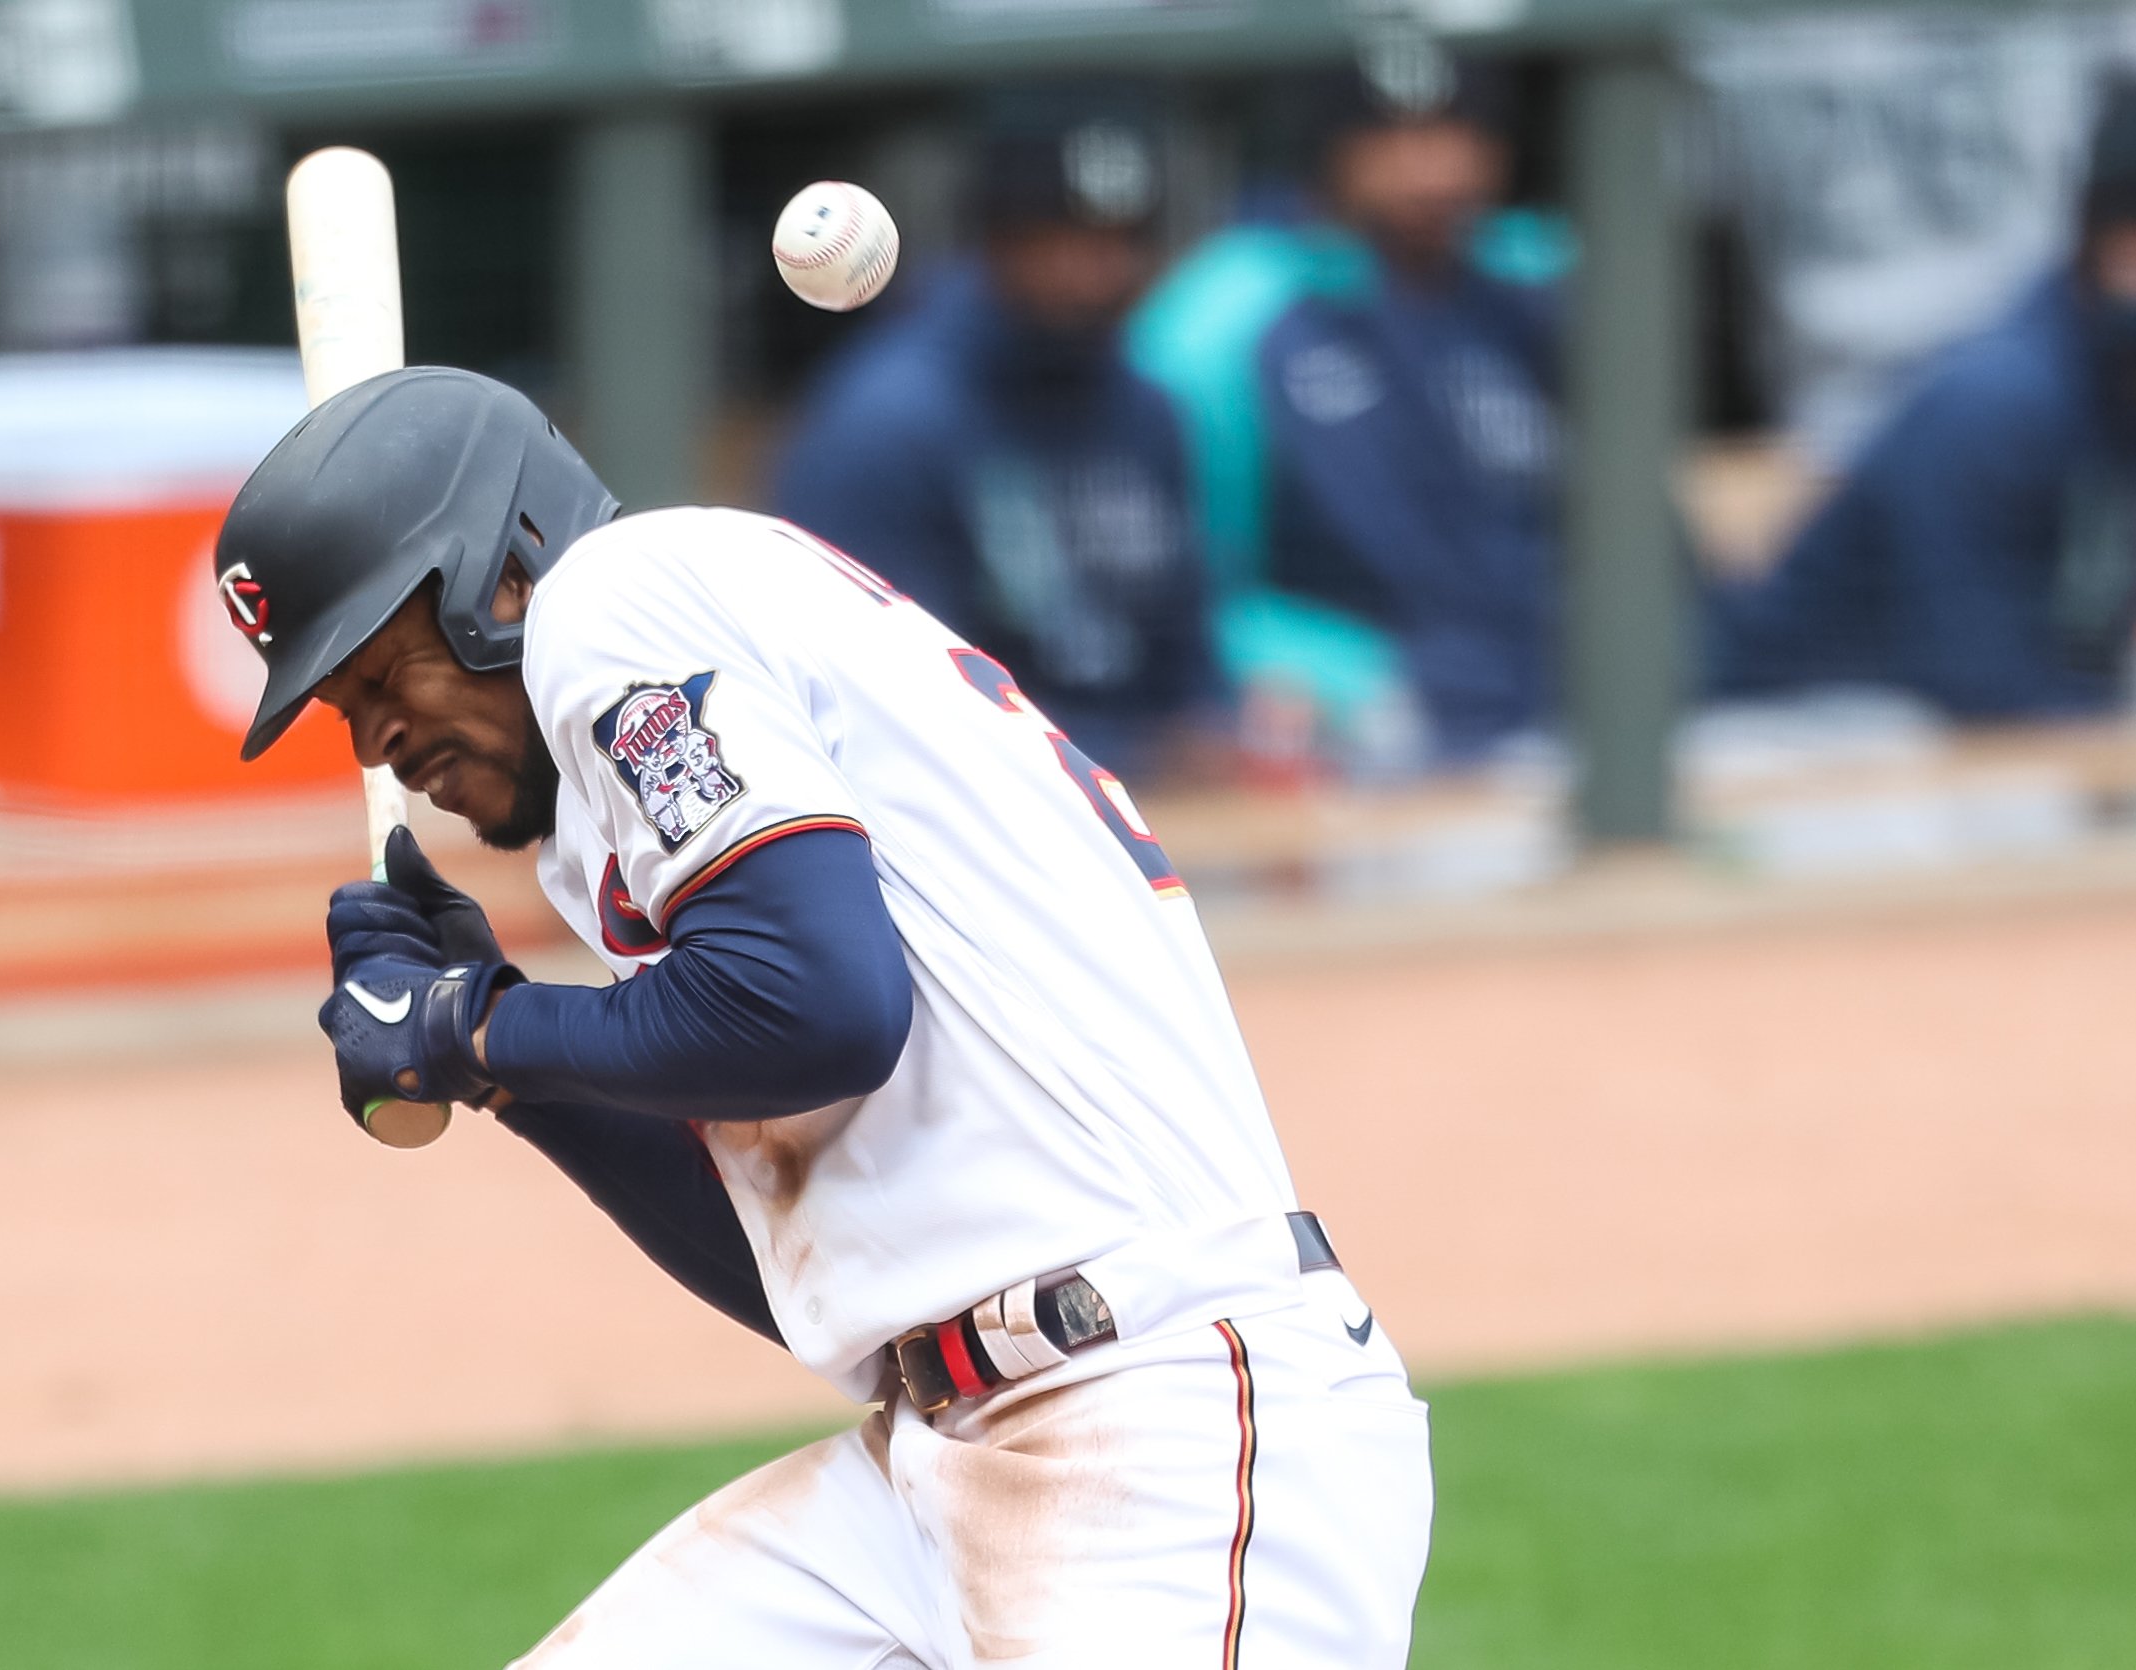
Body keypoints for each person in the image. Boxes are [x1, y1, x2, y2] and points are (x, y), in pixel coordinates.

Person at [216, 366, 1432, 1668]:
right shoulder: (651, 803)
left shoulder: (613, 596)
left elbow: (821, 1008)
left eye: (383, 667)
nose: (378, 739)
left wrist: (476, 1027)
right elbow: (799, 1257)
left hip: (1160, 1434)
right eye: (344, 709)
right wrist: (513, 1064)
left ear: (506, 563)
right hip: (938, 1461)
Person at [1132, 53, 1569, 769]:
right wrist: (1356, 683)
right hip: (1374, 730)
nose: (1437, 170)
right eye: (1393, 134)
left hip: (1568, 704)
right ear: (1329, 144)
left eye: (1460, 131)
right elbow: (1178, 595)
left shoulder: (1535, 277)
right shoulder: (1227, 309)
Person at [771, 101, 1222, 783]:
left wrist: (1220, 732)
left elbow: (1188, 662)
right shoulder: (887, 421)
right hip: (961, 814)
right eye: (1061, 239)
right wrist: (1145, 758)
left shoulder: (1145, 409)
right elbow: (894, 715)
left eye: (1120, 241)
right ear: (994, 243)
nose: (1094, 271)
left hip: (1147, 801)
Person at [1707, 82, 2136, 718]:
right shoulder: (1998, 398)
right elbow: (1982, 683)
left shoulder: (2109, 372)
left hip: (1949, 753)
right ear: (2111, 240)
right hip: (1789, 733)